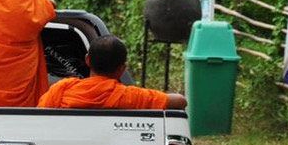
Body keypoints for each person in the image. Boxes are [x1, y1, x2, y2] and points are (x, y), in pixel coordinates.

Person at [38, 36, 187, 110]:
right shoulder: (129, 96)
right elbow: (180, 101)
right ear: (122, 68)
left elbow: (38, 117)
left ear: (87, 60)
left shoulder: (63, 89)